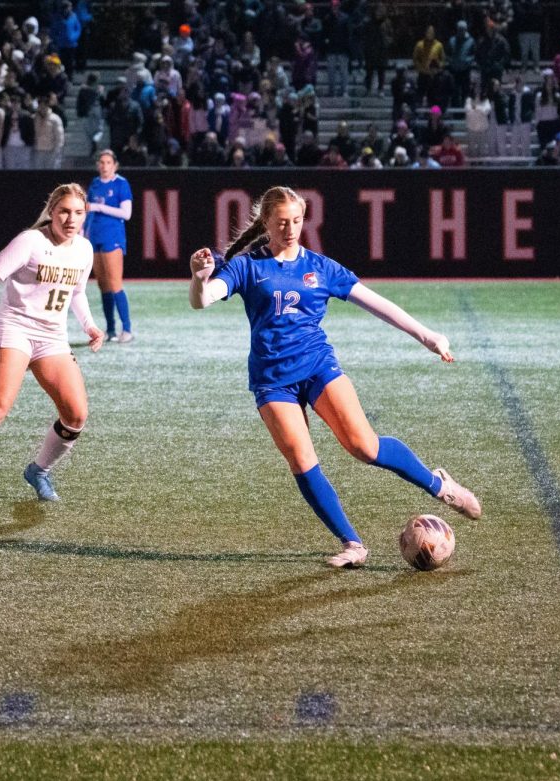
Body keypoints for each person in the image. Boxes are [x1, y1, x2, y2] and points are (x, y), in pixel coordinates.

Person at [187, 186, 481, 568]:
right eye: (281, 222)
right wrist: (197, 278)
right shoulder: (247, 266)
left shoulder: (321, 268)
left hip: (317, 367)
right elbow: (203, 299)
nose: (291, 229)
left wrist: (428, 336)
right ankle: (353, 544)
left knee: (364, 447)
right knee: (301, 457)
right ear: (266, 223)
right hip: (272, 379)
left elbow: (377, 303)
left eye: (296, 220)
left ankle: (440, 486)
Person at [0, 184, 105, 512]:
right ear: (52, 212)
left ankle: (38, 471)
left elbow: (76, 292)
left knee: (76, 414)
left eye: (78, 213)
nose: (70, 219)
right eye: (64, 212)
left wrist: (89, 326)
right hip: (15, 329)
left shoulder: (84, 250)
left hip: (52, 338)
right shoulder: (31, 241)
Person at [83, 150, 134, 343]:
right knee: (103, 285)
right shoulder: (95, 184)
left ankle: (127, 329)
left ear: (115, 165)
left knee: (115, 283)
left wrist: (99, 207)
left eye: (108, 162)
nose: (104, 166)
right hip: (94, 237)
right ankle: (111, 329)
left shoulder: (121, 183)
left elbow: (126, 213)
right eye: (101, 162)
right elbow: (88, 212)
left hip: (112, 237)